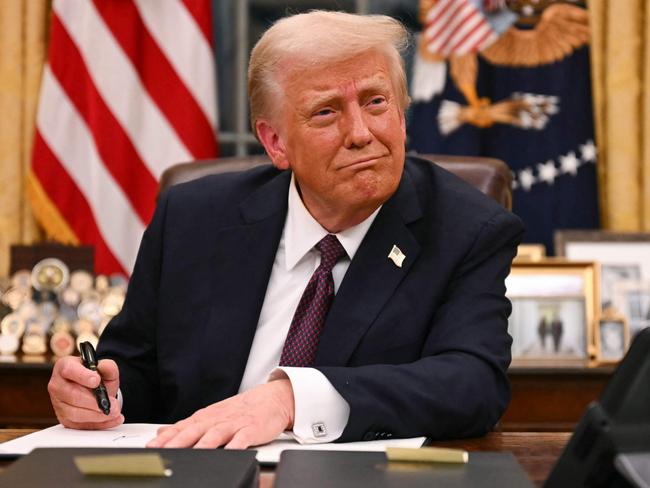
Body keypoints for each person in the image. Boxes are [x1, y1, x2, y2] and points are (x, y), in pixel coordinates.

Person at [47, 10, 524, 449]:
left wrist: (291, 398)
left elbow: (474, 383)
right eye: (326, 112)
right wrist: (98, 395)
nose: (361, 132)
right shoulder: (193, 218)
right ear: (275, 142)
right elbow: (132, 368)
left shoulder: (467, 229)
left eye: (376, 102)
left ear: (401, 116)